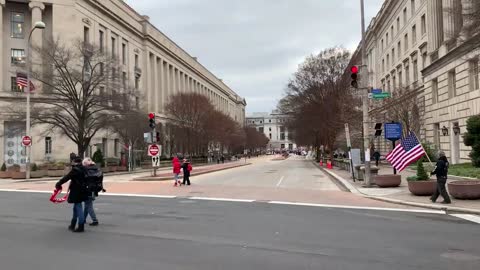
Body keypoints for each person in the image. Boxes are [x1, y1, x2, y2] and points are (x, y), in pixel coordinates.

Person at [55, 156, 88, 232]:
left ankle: (81, 226)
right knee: (76, 207)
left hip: (76, 190)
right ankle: (73, 224)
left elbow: (66, 177)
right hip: (84, 190)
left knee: (78, 207)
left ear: (75, 162)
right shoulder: (84, 169)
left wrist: (59, 183)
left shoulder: (75, 170)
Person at [82, 158, 103, 226]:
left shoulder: (86, 170)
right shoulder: (97, 168)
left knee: (89, 205)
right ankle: (83, 219)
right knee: (87, 205)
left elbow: (84, 179)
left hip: (88, 189)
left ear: (85, 164)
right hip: (95, 189)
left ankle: (95, 220)